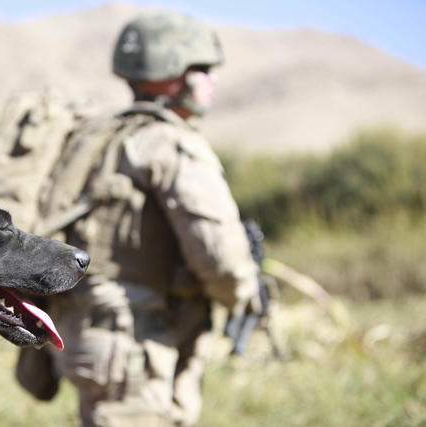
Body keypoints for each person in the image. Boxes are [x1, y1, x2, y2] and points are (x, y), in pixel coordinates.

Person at [14, 11, 262, 427]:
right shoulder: (171, 144)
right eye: (201, 69)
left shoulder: (99, 136)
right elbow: (221, 259)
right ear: (171, 73)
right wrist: (243, 293)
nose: (212, 80)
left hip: (88, 330)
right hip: (133, 338)